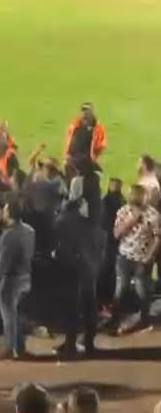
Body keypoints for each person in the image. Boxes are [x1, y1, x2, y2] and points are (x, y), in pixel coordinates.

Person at [54, 177, 104, 358]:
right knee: (89, 303)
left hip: (73, 265)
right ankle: (88, 342)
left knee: (72, 305)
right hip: (91, 263)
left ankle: (71, 344)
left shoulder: (67, 216)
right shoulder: (97, 210)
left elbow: (58, 238)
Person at [109, 184, 160, 334]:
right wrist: (130, 221)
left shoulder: (153, 215)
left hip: (142, 260)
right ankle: (114, 319)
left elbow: (157, 238)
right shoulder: (123, 212)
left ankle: (144, 320)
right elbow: (116, 234)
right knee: (120, 289)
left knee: (142, 291)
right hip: (124, 257)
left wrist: (149, 256)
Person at [0, 194, 35, 359]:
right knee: (19, 316)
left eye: (5, 210)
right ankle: (20, 347)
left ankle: (9, 349)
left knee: (8, 316)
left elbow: (3, 261)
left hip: (11, 280)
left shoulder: (8, 235)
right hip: (26, 276)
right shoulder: (30, 231)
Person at [64, 103, 107, 167]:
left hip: (88, 162)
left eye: (87, 110)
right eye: (83, 110)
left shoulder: (98, 128)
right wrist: (67, 155)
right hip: (73, 160)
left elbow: (101, 145)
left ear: (92, 112)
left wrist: (96, 159)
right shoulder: (74, 125)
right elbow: (69, 141)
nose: (85, 113)